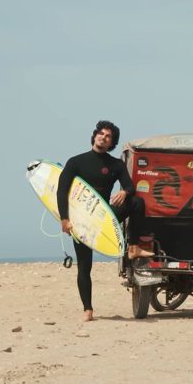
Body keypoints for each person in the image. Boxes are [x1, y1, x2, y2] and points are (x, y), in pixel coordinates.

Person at [57, 120, 153, 322]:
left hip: (104, 217)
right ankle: (88, 309)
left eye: (108, 136)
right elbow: (61, 191)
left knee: (136, 202)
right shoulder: (76, 162)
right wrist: (65, 219)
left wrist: (125, 192)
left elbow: (130, 186)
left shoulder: (115, 164)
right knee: (84, 266)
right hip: (80, 221)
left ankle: (133, 247)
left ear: (112, 142)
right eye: (100, 133)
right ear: (94, 136)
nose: (103, 137)